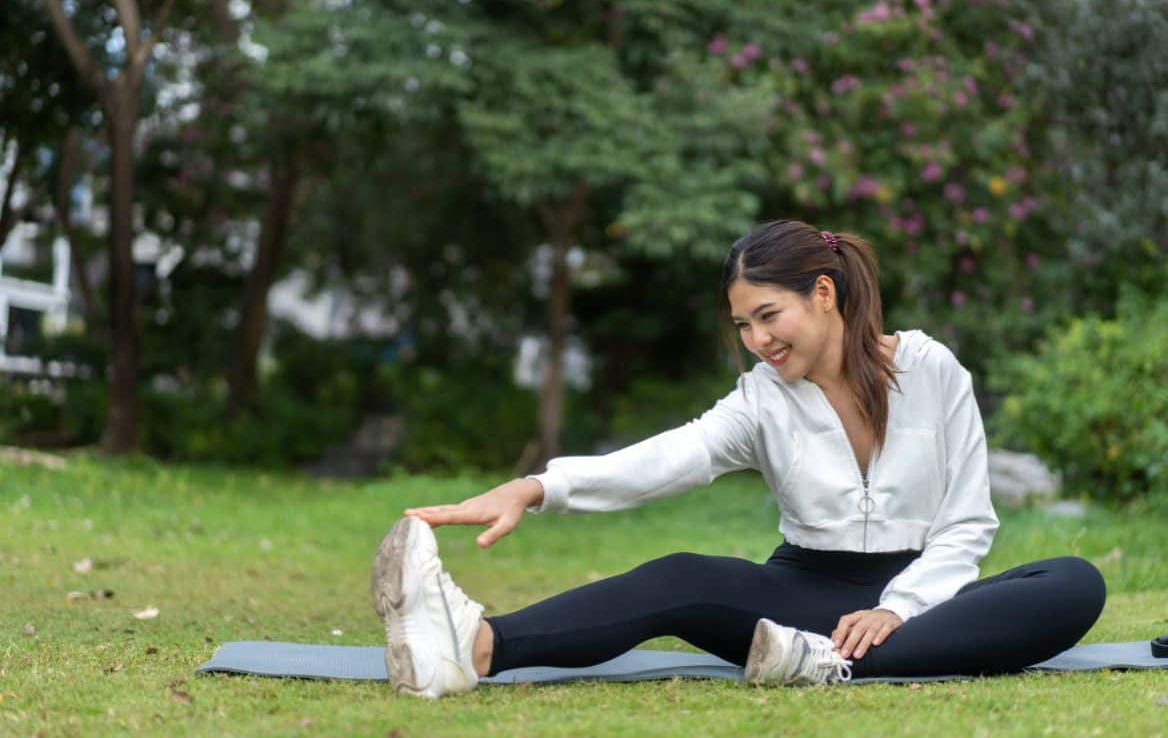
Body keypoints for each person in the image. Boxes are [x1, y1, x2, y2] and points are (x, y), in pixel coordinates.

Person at [370, 219, 1107, 699]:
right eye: (742, 324)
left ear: (824, 294)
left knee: (1073, 582)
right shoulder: (761, 399)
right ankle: (473, 646)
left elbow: (967, 524)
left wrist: (896, 609)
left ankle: (831, 662)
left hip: (926, 594)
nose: (756, 339)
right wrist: (537, 487)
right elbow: (671, 457)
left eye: (767, 315)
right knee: (681, 577)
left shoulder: (930, 368)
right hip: (801, 600)